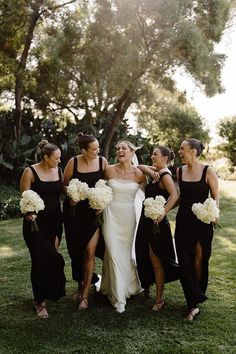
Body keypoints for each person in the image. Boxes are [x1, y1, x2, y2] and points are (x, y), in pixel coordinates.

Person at [20, 140, 66, 318]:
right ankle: (39, 302)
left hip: (55, 222)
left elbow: (60, 189)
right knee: (39, 260)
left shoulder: (58, 170)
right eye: (56, 158)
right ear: (46, 157)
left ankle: (49, 291)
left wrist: (72, 191)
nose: (59, 161)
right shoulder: (30, 171)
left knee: (52, 258)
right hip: (35, 225)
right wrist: (28, 213)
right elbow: (24, 198)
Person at [175, 138, 219, 322]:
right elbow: (178, 196)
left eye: (182, 149)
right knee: (184, 261)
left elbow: (216, 197)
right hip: (184, 221)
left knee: (200, 260)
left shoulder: (208, 171)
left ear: (193, 151)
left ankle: (195, 297)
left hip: (203, 221)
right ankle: (192, 302)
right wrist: (162, 211)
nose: (179, 151)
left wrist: (214, 214)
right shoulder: (179, 171)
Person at [99, 140, 146, 313]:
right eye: (117, 148)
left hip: (129, 217)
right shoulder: (109, 170)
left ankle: (122, 286)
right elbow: (100, 191)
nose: (119, 150)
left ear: (132, 152)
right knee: (112, 251)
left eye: (123, 148)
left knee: (124, 253)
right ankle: (118, 299)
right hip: (110, 215)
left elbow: (152, 189)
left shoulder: (140, 174)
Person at [63, 133, 108, 310]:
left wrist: (102, 203)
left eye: (98, 148)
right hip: (74, 213)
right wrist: (70, 194)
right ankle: (81, 285)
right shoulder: (73, 162)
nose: (98, 151)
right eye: (94, 149)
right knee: (77, 252)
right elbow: (63, 184)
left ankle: (84, 295)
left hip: (93, 213)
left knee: (90, 252)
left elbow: (108, 185)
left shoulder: (102, 162)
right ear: (83, 150)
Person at [135, 145, 179, 311]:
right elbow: (139, 166)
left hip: (157, 224)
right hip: (145, 221)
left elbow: (175, 195)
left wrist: (163, 212)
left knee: (156, 261)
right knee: (143, 255)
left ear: (165, 159)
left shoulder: (165, 175)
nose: (152, 156)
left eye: (155, 154)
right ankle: (146, 288)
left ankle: (159, 299)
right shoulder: (158, 171)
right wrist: (152, 171)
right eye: (152, 153)